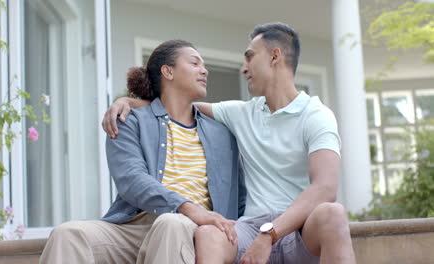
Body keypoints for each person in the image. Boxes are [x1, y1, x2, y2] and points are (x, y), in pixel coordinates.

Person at [103, 23, 356, 264]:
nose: (243, 68)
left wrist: (269, 235)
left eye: (249, 57)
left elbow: (325, 188)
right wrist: (129, 103)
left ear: (274, 57)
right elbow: (178, 105)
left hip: (299, 230)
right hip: (248, 229)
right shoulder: (240, 113)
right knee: (208, 234)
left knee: (332, 213)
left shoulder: (316, 115)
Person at [40, 39, 246, 264]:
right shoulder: (130, 121)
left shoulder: (222, 134)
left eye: (203, 65)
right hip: (136, 224)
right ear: (168, 71)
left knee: (171, 223)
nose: (204, 70)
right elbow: (131, 179)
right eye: (195, 63)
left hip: (195, 230)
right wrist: (186, 206)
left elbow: (241, 197)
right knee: (68, 234)